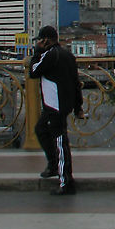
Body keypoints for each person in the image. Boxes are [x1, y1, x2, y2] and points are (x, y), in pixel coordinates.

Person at [29, 25, 84, 195]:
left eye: (40, 40)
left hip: (55, 105)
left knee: (60, 142)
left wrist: (36, 53)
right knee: (41, 129)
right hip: (61, 104)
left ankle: (65, 181)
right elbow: (76, 82)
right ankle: (54, 166)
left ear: (46, 40)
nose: (38, 42)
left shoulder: (49, 55)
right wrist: (78, 107)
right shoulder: (67, 55)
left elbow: (33, 71)